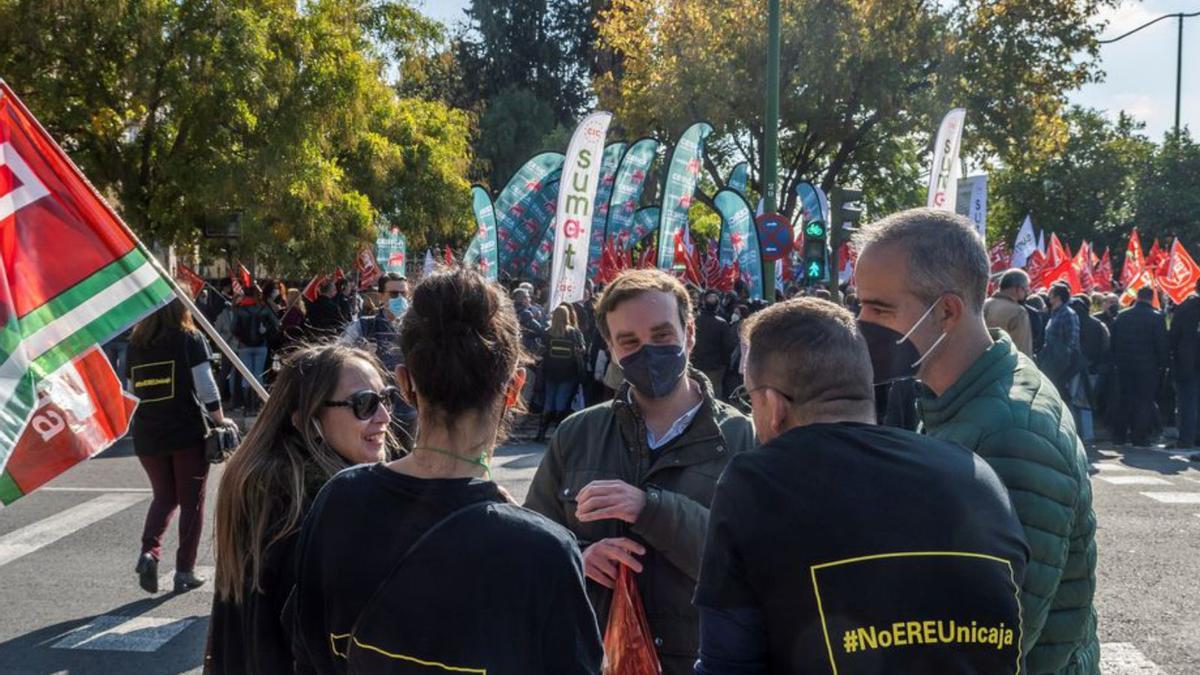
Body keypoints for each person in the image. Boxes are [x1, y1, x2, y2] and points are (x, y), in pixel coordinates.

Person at [291, 268, 602, 674]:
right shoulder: (544, 553)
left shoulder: (339, 501)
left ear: (404, 384)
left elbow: (307, 653)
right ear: (514, 388)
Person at [695, 297, 1029, 674]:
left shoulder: (754, 481)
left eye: (749, 397)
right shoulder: (974, 474)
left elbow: (727, 661)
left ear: (773, 405)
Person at [852, 208, 1099, 674]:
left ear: (946, 310)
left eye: (880, 308)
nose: (861, 323)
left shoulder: (1012, 433)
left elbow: (998, 639)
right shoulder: (954, 394)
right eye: (860, 304)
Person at [525, 268, 755, 675]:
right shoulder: (577, 433)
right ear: (612, 350)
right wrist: (578, 557)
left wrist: (649, 509)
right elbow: (534, 545)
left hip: (702, 662)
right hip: (597, 658)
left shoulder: (742, 437)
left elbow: (751, 568)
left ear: (689, 333)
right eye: (629, 342)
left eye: (662, 336)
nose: (648, 351)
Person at [207, 344, 393, 674]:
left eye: (386, 397)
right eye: (365, 403)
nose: (384, 416)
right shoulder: (317, 508)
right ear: (308, 420)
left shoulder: (266, 486)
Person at [126, 299, 236, 594]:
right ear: (183, 307)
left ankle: (149, 551)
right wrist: (221, 419)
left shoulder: (136, 343)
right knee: (192, 501)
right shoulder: (189, 338)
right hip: (185, 431)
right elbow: (205, 384)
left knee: (163, 497)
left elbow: (130, 391)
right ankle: (184, 570)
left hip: (148, 434)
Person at [341, 273, 416, 448]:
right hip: (372, 413)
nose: (400, 299)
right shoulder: (364, 327)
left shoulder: (417, 329)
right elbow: (338, 359)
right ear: (381, 296)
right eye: (394, 294)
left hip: (409, 413)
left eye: (404, 294)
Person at [1111, 286, 1168, 447]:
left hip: (1124, 365)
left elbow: (1113, 342)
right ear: (1151, 298)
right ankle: (1139, 436)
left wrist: (1116, 361)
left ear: (1137, 296)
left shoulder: (1122, 316)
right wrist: (1163, 365)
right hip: (1148, 367)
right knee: (1144, 401)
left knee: (1124, 400)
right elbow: (1161, 344)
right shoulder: (1156, 318)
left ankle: (1119, 435)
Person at [538, 304, 586, 441]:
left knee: (548, 402)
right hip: (568, 372)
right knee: (561, 402)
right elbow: (582, 350)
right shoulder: (573, 333)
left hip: (550, 371)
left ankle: (541, 433)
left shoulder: (547, 332)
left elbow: (540, 351)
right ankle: (557, 435)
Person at [233, 285, 280, 415]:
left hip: (244, 346)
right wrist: (265, 332)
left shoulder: (240, 310)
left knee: (246, 376)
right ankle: (256, 406)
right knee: (258, 375)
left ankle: (248, 407)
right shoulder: (264, 309)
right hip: (261, 346)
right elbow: (276, 325)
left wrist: (242, 337)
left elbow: (233, 329)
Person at [1041, 284, 1083, 407]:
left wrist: (1062, 361)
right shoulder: (1055, 313)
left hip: (1060, 365)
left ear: (1057, 297)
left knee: (1060, 398)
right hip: (1051, 361)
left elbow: (1072, 340)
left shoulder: (1068, 314)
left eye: (1050, 294)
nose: (1048, 297)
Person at [693, 290, 738, 400]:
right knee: (715, 391)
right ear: (717, 306)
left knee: (698, 390)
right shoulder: (721, 323)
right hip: (716, 366)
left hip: (697, 363)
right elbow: (729, 346)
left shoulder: (694, 321)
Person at [984, 268, 1034, 357]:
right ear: (1018, 288)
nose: (1027, 292)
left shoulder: (984, 304)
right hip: (1004, 366)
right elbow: (1022, 350)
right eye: (1026, 288)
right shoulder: (1018, 312)